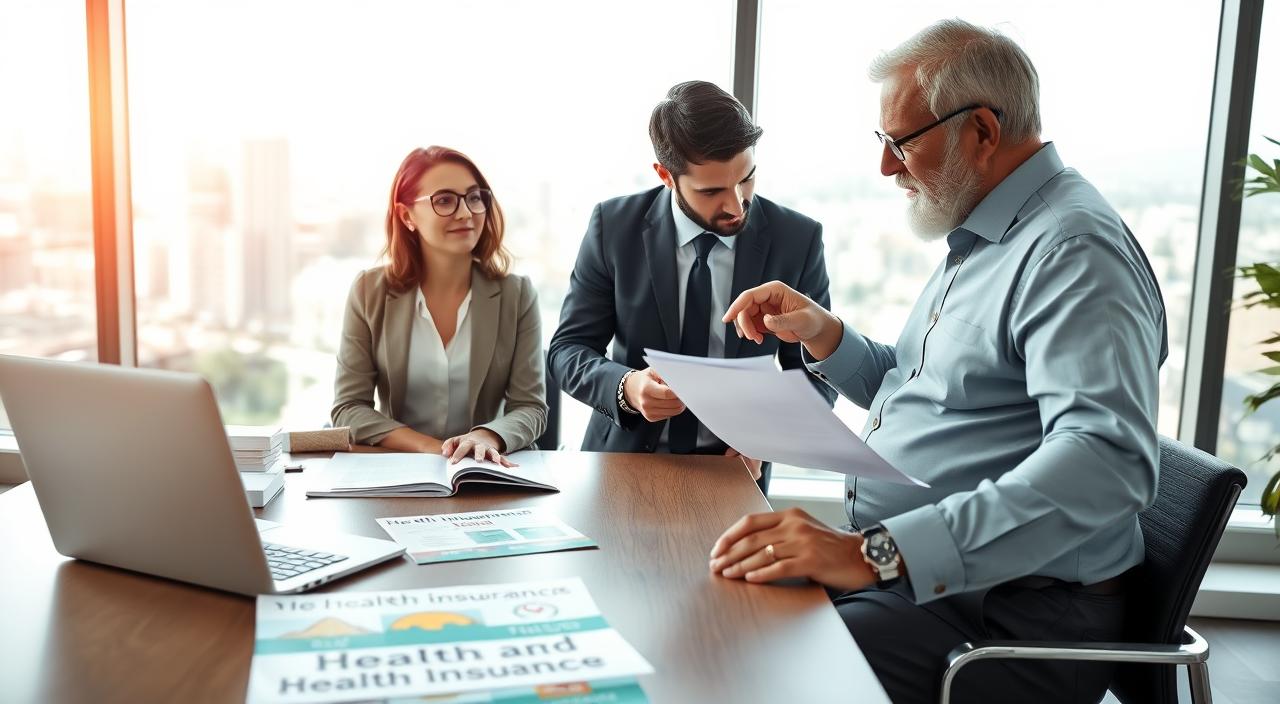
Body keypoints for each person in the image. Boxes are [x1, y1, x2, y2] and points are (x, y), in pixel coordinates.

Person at [707, 20, 1168, 704]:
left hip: (1009, 617)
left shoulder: (1072, 249)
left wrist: (874, 555)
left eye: (902, 142)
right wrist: (827, 334)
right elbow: (940, 392)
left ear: (981, 131)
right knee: (724, 606)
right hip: (940, 589)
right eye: (882, 143)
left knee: (749, 662)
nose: (887, 167)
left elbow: (1107, 461)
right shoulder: (989, 234)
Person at [548, 80, 835, 493]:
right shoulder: (614, 227)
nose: (737, 205)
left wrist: (770, 439)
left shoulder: (798, 239)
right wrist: (626, 388)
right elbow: (567, 352)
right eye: (712, 191)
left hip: (736, 473)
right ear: (666, 175)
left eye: (747, 179)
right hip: (621, 467)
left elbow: (815, 374)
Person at [332, 146, 547, 465]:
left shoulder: (517, 294)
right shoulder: (369, 291)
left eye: (474, 197)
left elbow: (531, 408)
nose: (466, 213)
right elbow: (348, 409)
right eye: (445, 200)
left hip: (484, 468)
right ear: (407, 216)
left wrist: (483, 438)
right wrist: (431, 448)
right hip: (398, 467)